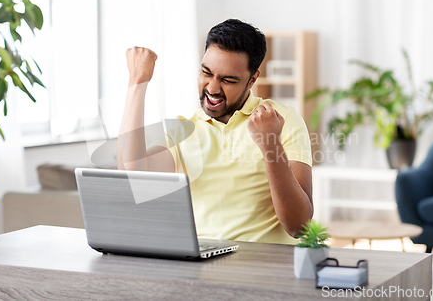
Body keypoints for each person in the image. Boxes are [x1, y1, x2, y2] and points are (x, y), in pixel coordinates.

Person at [117, 19, 313, 244]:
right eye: (206, 73)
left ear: (252, 80)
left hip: (267, 266)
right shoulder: (181, 130)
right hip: (202, 263)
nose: (212, 89)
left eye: (228, 80)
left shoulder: (283, 120)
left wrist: (270, 145)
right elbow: (133, 174)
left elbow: (300, 226)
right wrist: (137, 81)